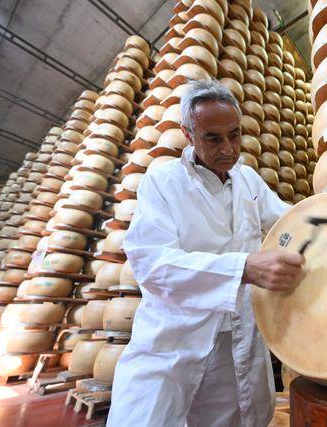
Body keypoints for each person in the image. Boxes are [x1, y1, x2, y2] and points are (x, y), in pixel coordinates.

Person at [107, 79, 304, 427]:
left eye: (234, 135)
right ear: (188, 134)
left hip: (238, 337)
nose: (228, 148)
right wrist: (243, 268)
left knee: (238, 418)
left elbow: (289, 221)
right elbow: (153, 264)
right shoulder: (163, 181)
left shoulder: (248, 180)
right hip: (176, 336)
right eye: (213, 138)